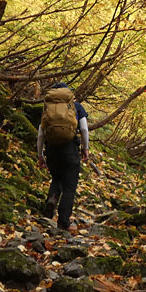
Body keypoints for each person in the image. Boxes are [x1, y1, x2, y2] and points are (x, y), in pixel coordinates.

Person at [37, 82, 89, 233]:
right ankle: (63, 222)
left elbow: (41, 134)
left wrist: (40, 155)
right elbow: (84, 129)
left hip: (51, 150)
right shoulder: (76, 107)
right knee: (69, 187)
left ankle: (51, 200)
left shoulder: (47, 109)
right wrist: (85, 149)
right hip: (70, 150)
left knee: (57, 177)